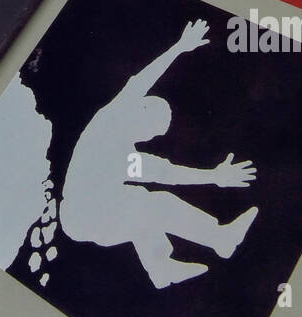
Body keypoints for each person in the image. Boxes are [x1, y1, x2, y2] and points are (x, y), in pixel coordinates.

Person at [60, 18, 258, 287]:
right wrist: (178, 48)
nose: (147, 138)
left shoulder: (126, 154)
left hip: (93, 214)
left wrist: (214, 176)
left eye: (153, 135)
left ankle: (162, 267)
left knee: (140, 202)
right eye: (150, 129)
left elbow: (167, 172)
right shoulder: (108, 124)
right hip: (82, 214)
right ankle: (213, 241)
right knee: (145, 203)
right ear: (139, 112)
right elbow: (138, 83)